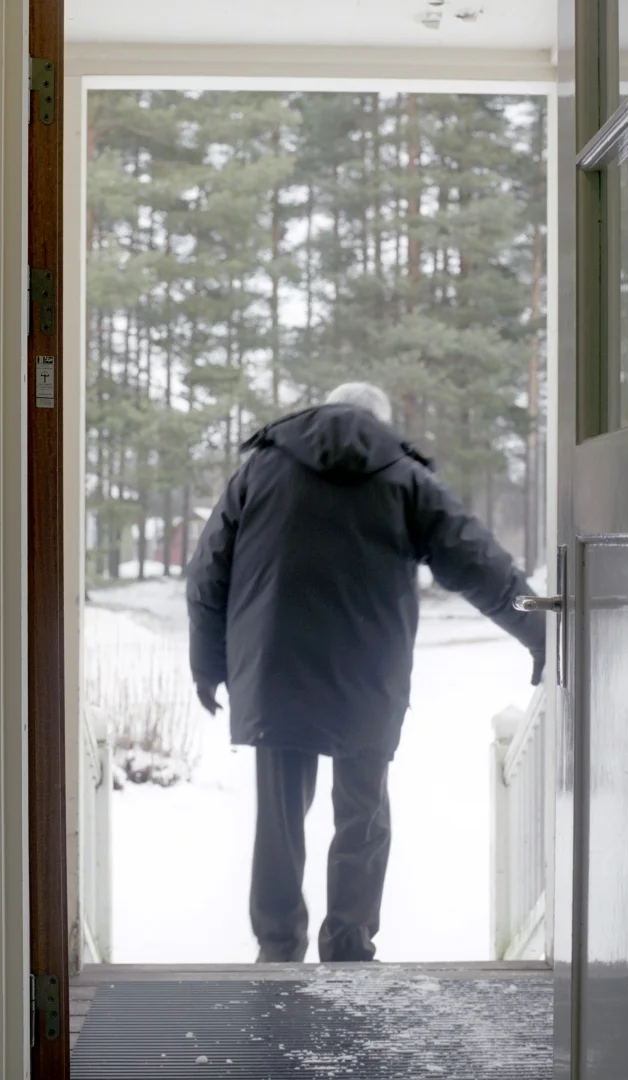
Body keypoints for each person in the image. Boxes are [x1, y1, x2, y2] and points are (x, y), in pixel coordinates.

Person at [186, 382, 546, 964]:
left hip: (276, 671)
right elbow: (481, 563)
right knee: (363, 812)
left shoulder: (260, 471)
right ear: (378, 423)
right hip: (368, 675)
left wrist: (208, 663)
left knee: (280, 818)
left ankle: (277, 947)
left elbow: (208, 571)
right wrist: (540, 630)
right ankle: (349, 948)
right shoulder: (404, 478)